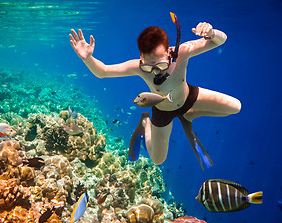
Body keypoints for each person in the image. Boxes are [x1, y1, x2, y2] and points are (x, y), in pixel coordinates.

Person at [69, 14, 241, 168]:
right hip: (162, 110)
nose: (157, 71)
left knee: (235, 106)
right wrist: (88, 58)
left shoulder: (183, 52)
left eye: (161, 65)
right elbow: (103, 71)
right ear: (141, 58)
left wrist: (212, 33)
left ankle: (190, 113)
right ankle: (146, 123)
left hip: (189, 98)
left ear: (169, 52)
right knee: (158, 160)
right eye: (149, 66)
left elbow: (220, 40)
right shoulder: (138, 67)